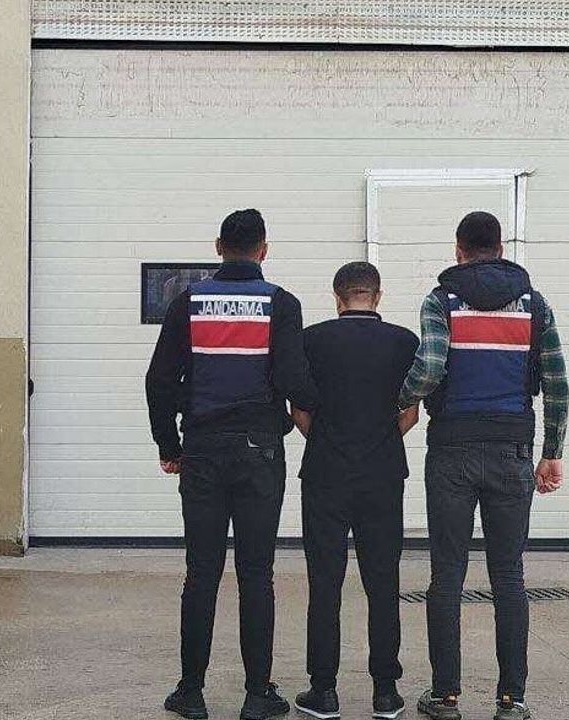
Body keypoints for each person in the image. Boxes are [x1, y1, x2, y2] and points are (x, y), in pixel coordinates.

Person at [396, 211, 569, 720]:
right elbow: (556, 383)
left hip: (452, 449)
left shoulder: (441, 301)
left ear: (459, 250)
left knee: (447, 574)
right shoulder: (534, 305)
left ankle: (445, 696)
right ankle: (511, 700)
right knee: (509, 575)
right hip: (513, 450)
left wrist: (397, 401)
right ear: (500, 247)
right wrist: (552, 451)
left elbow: (429, 368)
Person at [146, 208, 317, 720]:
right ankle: (257, 693)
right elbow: (294, 380)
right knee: (256, 573)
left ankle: (191, 691)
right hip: (259, 452)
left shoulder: (188, 302)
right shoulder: (281, 304)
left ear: (219, 247)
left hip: (201, 450)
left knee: (201, 572)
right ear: (264, 249)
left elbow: (159, 381)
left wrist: (169, 445)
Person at [289, 262, 420, 720]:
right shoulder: (404, 342)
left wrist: (329, 442)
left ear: (337, 296)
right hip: (382, 474)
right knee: (383, 582)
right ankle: (385, 692)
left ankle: (323, 691)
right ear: (377, 296)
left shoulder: (311, 340)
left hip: (325, 473)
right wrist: (376, 444)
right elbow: (410, 414)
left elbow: (299, 411)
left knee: (324, 583)